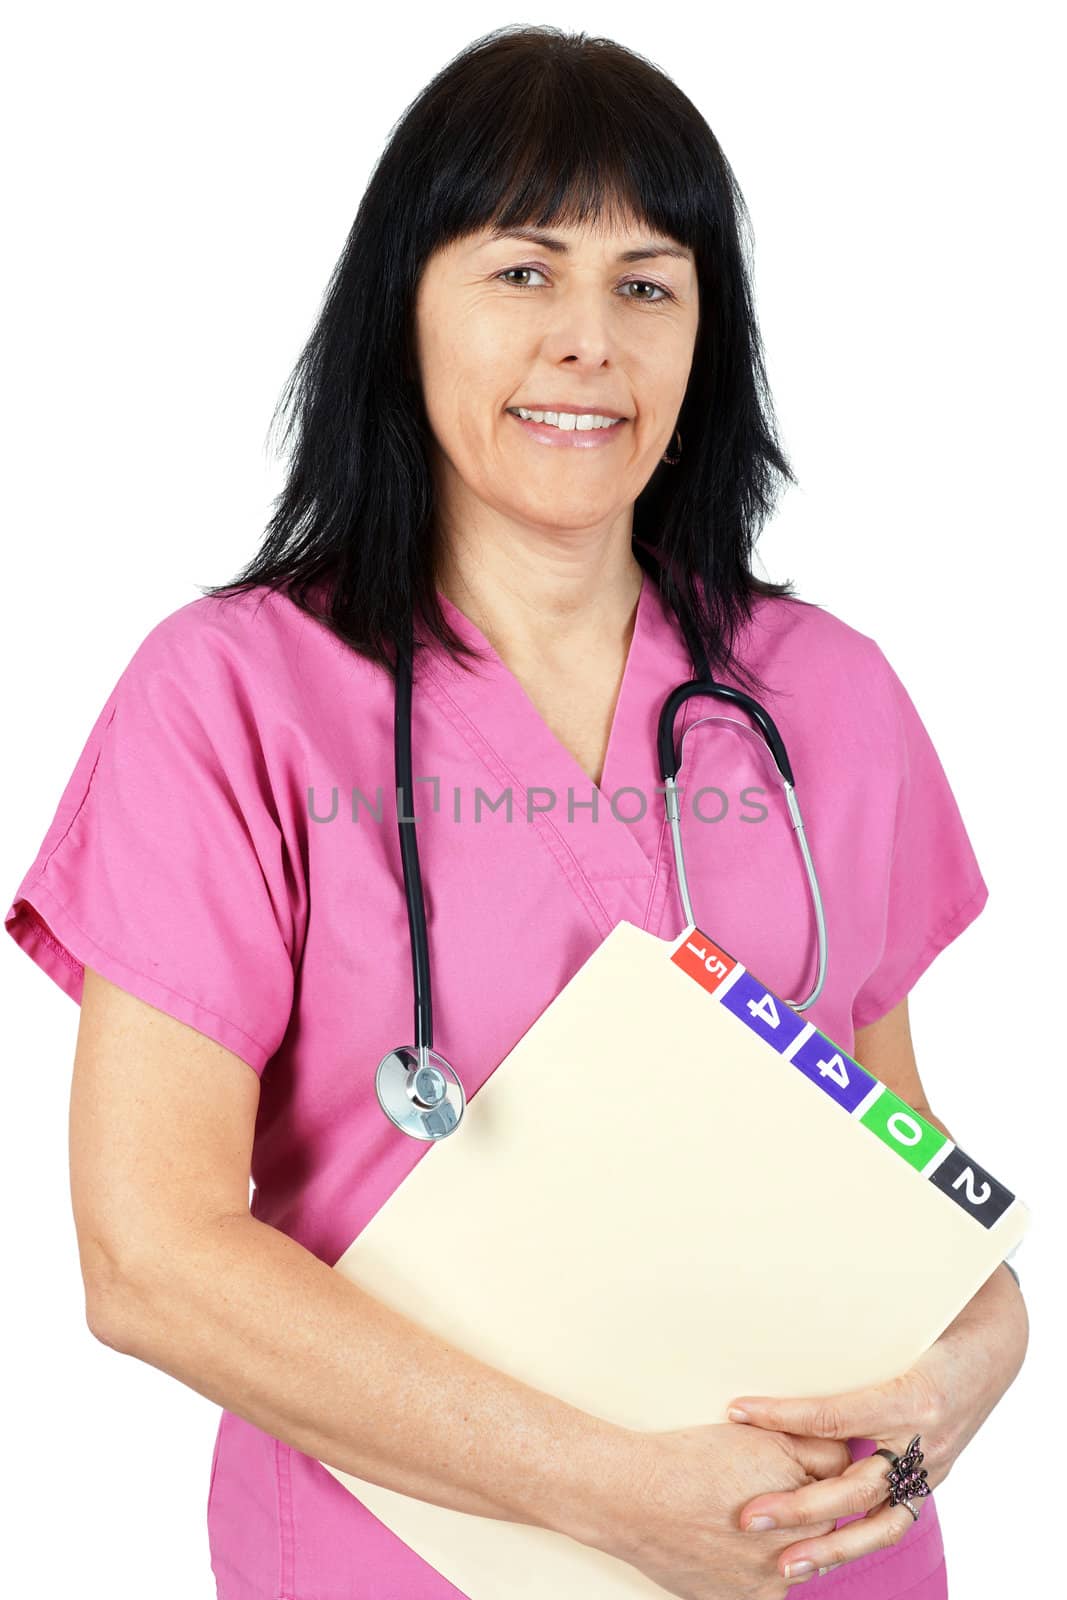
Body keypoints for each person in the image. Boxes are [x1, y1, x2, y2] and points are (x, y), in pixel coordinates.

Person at [4, 23, 1027, 1600]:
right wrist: (614, 1494)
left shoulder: (826, 695)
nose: (588, 341)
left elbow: (908, 1173)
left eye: (647, 282)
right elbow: (151, 1261)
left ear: (705, 341)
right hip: (401, 1563)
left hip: (808, 1563)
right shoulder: (231, 695)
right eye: (522, 272)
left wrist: (973, 1364)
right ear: (401, 314)